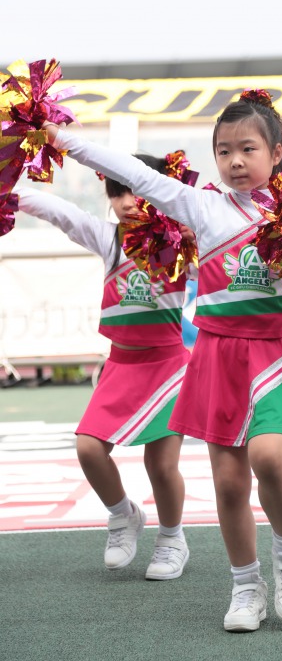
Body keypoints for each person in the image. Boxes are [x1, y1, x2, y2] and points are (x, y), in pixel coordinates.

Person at [43, 89, 282, 631]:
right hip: (217, 353)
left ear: (276, 152)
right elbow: (131, 171)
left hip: (273, 351)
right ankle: (245, 586)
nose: (235, 161)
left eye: (248, 149)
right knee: (229, 481)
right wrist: (60, 139)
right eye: (223, 151)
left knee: (268, 457)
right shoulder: (203, 205)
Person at [15, 153, 195, 582]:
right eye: (117, 193)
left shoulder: (184, 240)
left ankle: (172, 539)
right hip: (121, 364)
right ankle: (122, 515)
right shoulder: (108, 238)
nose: (128, 202)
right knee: (89, 448)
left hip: (168, 366)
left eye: (138, 191)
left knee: (162, 465)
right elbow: (61, 212)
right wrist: (10, 193)